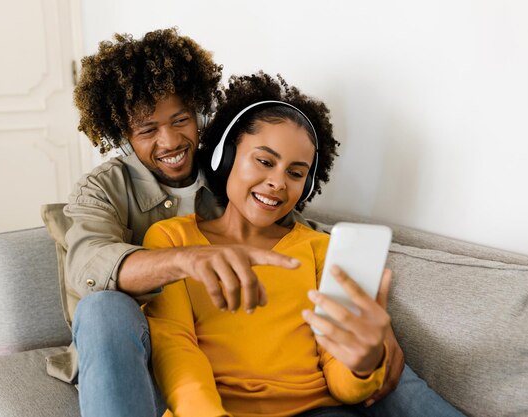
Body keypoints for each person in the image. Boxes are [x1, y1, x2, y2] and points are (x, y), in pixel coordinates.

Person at [52, 27, 447, 417]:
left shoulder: (272, 211)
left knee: (384, 358)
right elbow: (91, 266)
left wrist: (369, 344)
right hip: (135, 357)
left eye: (181, 120)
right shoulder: (116, 198)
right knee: (102, 307)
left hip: (317, 399)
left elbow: (290, 234)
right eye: (148, 129)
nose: (170, 141)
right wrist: (187, 260)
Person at [143, 72, 465, 417]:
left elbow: (342, 384)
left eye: (295, 173)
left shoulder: (320, 249)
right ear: (226, 156)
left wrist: (363, 363)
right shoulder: (172, 239)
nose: (278, 183)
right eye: (264, 161)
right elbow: (174, 349)